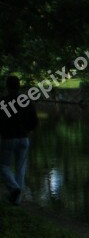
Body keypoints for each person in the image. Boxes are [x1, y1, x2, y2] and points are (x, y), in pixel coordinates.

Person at [0, 76, 39, 205]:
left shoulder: (4, 102)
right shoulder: (26, 101)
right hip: (24, 138)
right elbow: (34, 121)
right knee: (21, 168)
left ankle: (14, 188)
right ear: (19, 86)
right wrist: (28, 130)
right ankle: (17, 200)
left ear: (7, 86)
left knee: (4, 165)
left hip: (9, 138)